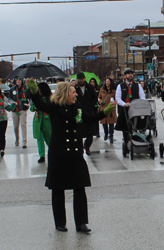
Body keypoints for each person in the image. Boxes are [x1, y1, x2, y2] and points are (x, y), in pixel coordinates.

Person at [28, 79, 117, 233]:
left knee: (80, 187)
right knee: (58, 189)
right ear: (65, 94)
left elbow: (89, 118)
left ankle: (81, 223)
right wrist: (34, 91)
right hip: (59, 152)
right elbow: (40, 105)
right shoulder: (55, 107)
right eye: (73, 92)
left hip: (75, 152)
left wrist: (106, 110)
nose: (76, 94)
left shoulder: (77, 106)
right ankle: (60, 223)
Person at [115, 68, 146, 147]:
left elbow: (142, 97)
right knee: (125, 128)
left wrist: (139, 104)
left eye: (131, 73)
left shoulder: (137, 85)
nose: (130, 75)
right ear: (125, 76)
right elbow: (118, 98)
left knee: (135, 126)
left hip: (135, 110)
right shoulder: (120, 86)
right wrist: (124, 104)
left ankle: (135, 141)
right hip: (124, 110)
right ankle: (126, 142)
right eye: (128, 74)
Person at [74, 73, 98, 156]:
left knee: (90, 132)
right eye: (79, 79)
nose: (81, 80)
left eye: (82, 79)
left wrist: (91, 106)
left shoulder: (90, 87)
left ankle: (87, 146)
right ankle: (80, 149)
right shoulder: (75, 88)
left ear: (84, 78)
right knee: (79, 133)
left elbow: (95, 98)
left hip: (89, 112)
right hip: (79, 113)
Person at [30, 82, 52, 163]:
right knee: (39, 139)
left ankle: (52, 152)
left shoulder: (50, 98)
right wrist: (35, 107)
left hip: (47, 120)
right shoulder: (36, 98)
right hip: (38, 119)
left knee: (49, 138)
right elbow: (31, 108)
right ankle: (41, 155)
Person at [8, 78, 30, 148]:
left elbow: (30, 98)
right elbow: (9, 98)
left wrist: (29, 103)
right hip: (15, 109)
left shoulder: (26, 89)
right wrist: (12, 102)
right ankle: (17, 139)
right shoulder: (12, 89)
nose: (18, 81)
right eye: (17, 80)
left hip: (23, 109)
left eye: (19, 80)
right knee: (16, 126)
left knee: (23, 125)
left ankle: (24, 141)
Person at [99, 78, 117, 143]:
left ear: (111, 82)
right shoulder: (102, 90)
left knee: (111, 124)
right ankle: (106, 133)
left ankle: (111, 136)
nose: (107, 83)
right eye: (106, 81)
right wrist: (101, 102)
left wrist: (114, 102)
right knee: (104, 123)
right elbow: (99, 98)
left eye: (108, 81)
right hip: (103, 108)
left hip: (111, 109)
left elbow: (117, 99)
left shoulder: (114, 91)